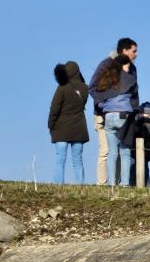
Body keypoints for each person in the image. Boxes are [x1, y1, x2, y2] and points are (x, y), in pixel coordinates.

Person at [89, 38, 138, 185]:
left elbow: (134, 95)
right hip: (106, 114)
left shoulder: (132, 69)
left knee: (112, 151)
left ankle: (113, 184)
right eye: (134, 51)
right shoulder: (106, 65)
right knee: (110, 151)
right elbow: (92, 87)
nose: (136, 54)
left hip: (110, 113)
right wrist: (104, 104)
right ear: (124, 51)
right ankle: (104, 184)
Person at [48, 61, 89, 184]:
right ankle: (80, 185)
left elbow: (54, 107)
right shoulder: (85, 88)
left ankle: (59, 185)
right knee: (78, 159)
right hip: (79, 128)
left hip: (61, 128)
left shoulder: (62, 86)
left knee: (60, 158)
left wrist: (50, 124)